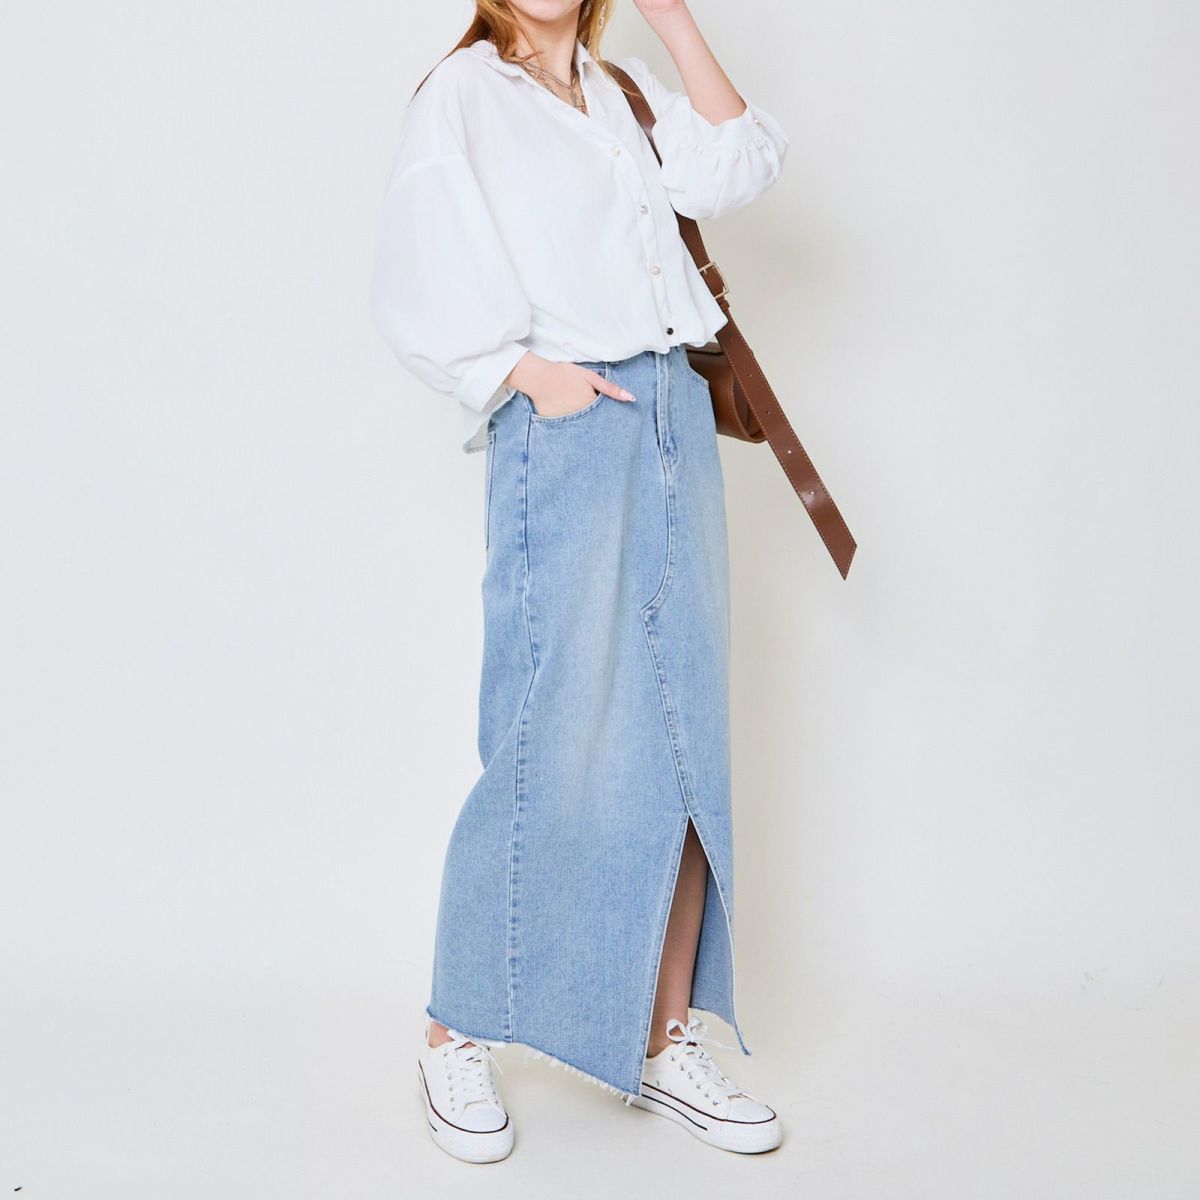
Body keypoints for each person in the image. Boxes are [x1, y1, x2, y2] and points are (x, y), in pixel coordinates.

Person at [370, 0, 789, 1162]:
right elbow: (410, 275)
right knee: (549, 729)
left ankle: (661, 1035)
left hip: (674, 413)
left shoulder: (624, 88)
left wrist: (673, 18)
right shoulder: (464, 95)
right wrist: (522, 373)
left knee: (686, 727)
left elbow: (745, 160)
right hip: (571, 420)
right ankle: (455, 1029)